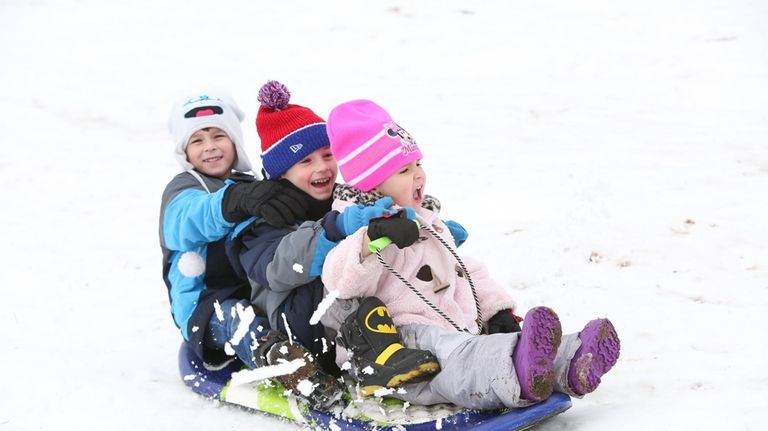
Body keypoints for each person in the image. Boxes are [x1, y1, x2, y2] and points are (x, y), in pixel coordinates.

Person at [320, 99, 621, 410]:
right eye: (404, 170)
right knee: (464, 356)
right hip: (402, 349)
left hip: (455, 332)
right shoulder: (357, 229)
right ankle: (519, 369)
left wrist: (496, 311)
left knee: (479, 350)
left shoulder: (427, 221)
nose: (419, 176)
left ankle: (571, 361)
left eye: (418, 164)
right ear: (374, 186)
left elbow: (466, 271)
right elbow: (338, 282)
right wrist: (372, 239)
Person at [227, 81, 442, 396]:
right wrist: (336, 228)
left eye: (328, 155)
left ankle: (438, 333)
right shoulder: (261, 218)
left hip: (342, 321)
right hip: (298, 323)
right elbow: (279, 268)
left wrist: (425, 228)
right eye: (306, 161)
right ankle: (371, 360)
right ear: (280, 172)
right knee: (349, 275)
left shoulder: (342, 200)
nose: (323, 167)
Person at [159, 91, 338, 407]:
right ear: (184, 151)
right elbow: (185, 222)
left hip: (255, 292)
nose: (210, 146)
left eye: (219, 135)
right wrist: (233, 202)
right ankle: (290, 370)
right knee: (236, 318)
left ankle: (296, 347)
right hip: (205, 304)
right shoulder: (184, 188)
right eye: (197, 141)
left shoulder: (251, 185)